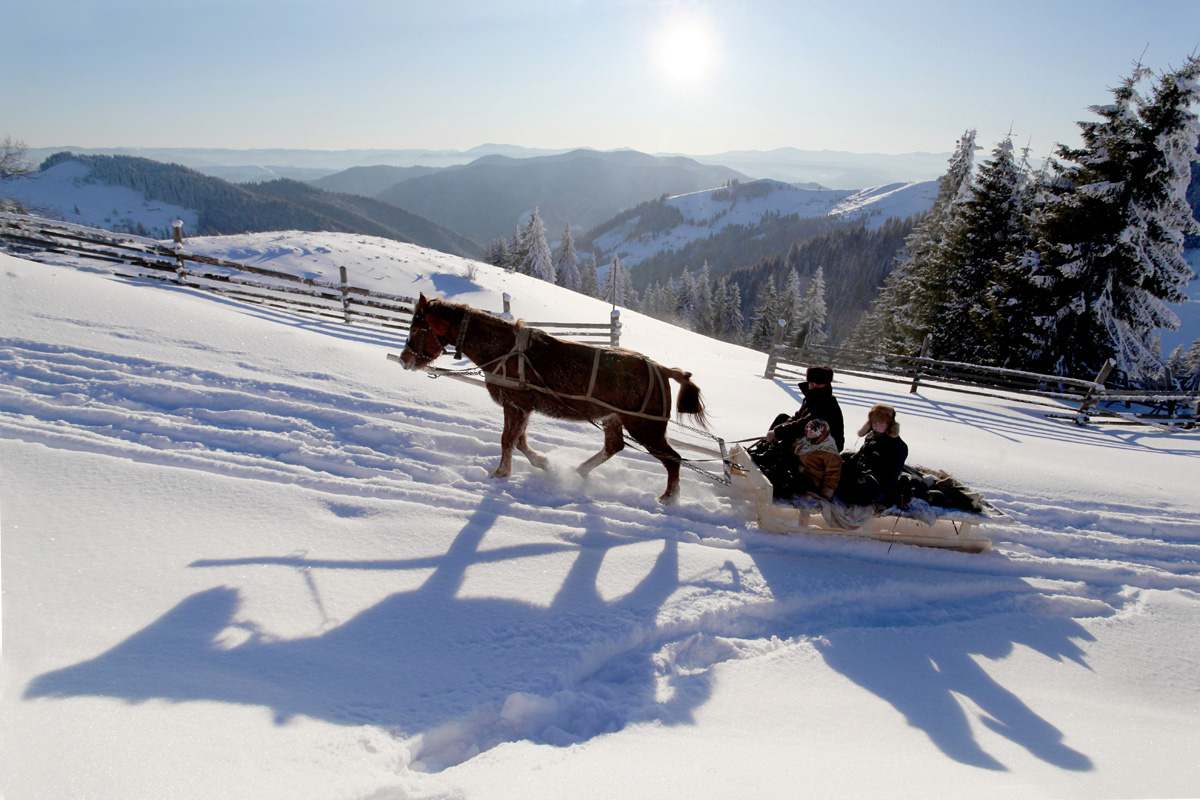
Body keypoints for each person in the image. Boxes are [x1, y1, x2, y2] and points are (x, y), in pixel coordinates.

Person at [836, 404, 908, 507]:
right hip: (862, 477)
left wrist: (867, 479)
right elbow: (860, 456)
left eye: (881, 423)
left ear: (890, 425)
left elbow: (890, 475)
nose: (877, 426)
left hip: (879, 487)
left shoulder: (897, 446)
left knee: (849, 496)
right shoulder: (871, 437)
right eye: (874, 423)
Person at [765, 366, 845, 452]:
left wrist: (778, 432)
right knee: (782, 418)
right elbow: (797, 417)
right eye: (811, 384)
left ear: (826, 384)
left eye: (816, 384)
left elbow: (806, 424)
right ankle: (765, 446)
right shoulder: (811, 398)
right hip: (811, 434)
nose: (812, 387)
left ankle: (773, 455)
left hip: (826, 444)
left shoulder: (828, 403)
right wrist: (781, 427)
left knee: (793, 435)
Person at [791, 418, 842, 499]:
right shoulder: (803, 442)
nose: (810, 432)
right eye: (809, 429)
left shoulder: (829, 451)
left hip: (814, 480)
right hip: (801, 472)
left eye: (814, 430)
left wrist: (827, 490)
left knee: (791, 483)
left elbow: (833, 473)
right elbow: (792, 452)